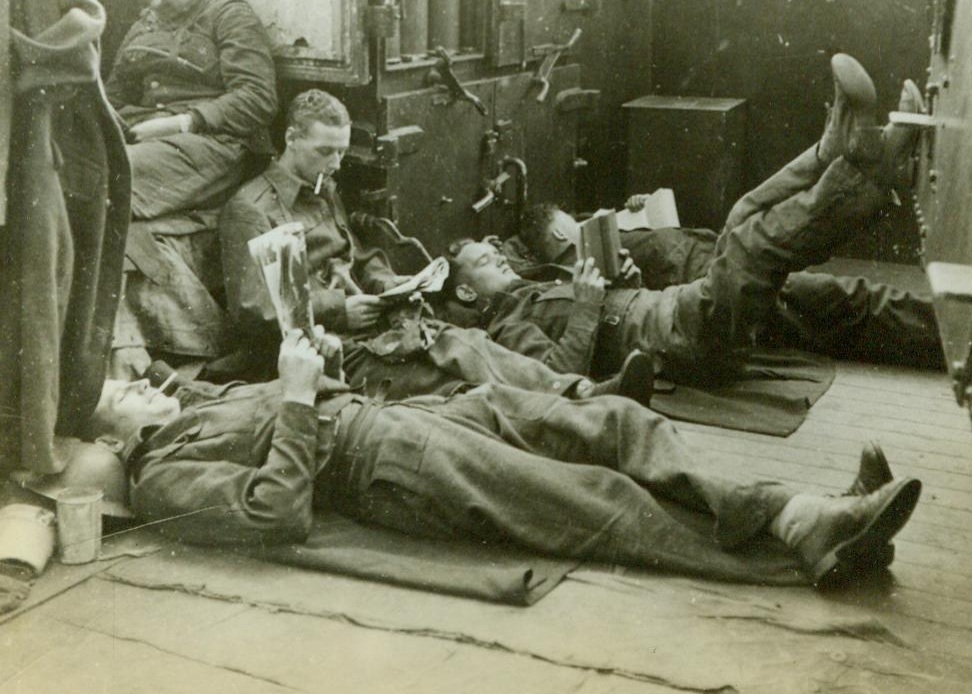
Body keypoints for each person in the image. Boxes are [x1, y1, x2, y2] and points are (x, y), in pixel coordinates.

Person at [87, 330, 922, 587]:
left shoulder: (193, 406)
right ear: (111, 440)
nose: (148, 387)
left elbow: (287, 413)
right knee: (595, 500)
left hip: (413, 417)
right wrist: (301, 399)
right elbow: (276, 512)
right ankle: (809, 528)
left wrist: (317, 374)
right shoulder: (161, 478)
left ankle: (786, 506)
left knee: (610, 421)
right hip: (392, 465)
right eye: (127, 396)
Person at [439, 55, 930, 385]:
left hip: (678, 310)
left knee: (744, 216)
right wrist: (590, 307)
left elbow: (615, 312)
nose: (500, 257)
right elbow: (556, 376)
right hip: (683, 342)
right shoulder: (505, 326)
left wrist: (619, 282)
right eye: (486, 260)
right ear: (466, 292)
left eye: (494, 250)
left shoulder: (535, 286)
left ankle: (837, 152)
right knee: (750, 247)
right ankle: (866, 164)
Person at [218, 88, 655, 404]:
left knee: (464, 343)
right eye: (324, 152)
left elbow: (356, 254)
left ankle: (578, 391)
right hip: (323, 348)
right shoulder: (251, 210)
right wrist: (339, 308)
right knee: (451, 385)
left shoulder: (324, 188)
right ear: (291, 139)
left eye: (341, 153)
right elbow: (255, 311)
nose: (335, 165)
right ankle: (580, 400)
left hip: (371, 324)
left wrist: (387, 280)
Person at [104, 0, 278, 219]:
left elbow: (258, 97)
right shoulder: (142, 26)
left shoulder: (228, 16)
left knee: (110, 175)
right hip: (147, 137)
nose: (153, 2)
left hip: (213, 144)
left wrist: (183, 123)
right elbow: (114, 96)